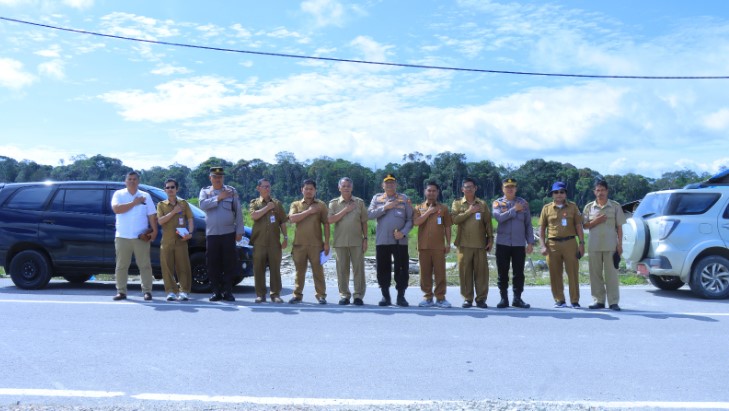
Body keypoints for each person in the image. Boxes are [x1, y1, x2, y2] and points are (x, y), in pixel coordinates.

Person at [198, 166, 245, 302]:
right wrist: (219, 198)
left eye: (220, 177)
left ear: (223, 178)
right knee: (213, 264)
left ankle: (228, 291)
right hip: (212, 234)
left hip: (228, 233)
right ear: (210, 178)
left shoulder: (231, 191)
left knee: (229, 264)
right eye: (215, 177)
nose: (218, 179)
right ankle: (216, 292)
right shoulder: (205, 191)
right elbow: (202, 205)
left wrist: (240, 231)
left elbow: (238, 212)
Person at [367, 174, 414, 307]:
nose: (389, 185)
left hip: (400, 241)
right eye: (387, 183)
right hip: (382, 240)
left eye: (392, 183)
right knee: (383, 269)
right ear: (383, 185)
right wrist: (385, 207)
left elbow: (410, 220)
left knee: (402, 268)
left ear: (396, 185)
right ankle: (385, 296)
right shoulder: (377, 198)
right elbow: (369, 214)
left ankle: (401, 296)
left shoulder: (404, 199)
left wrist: (403, 233)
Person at [111, 171, 158, 301]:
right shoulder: (118, 194)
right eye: (129, 179)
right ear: (125, 181)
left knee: (145, 265)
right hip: (122, 236)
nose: (132, 181)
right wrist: (134, 202)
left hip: (140, 236)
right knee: (121, 265)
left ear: (138, 181)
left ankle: (147, 291)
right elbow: (116, 209)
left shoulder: (145, 196)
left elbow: (151, 215)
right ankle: (121, 291)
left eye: (134, 179)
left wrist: (154, 230)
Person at [538, 181, 585, 308]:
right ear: (552, 194)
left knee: (573, 273)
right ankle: (560, 299)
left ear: (565, 194)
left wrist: (581, 243)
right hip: (553, 244)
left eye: (562, 192)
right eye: (556, 192)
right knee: (555, 273)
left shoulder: (573, 207)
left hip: (570, 243)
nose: (559, 195)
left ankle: (574, 300)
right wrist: (542, 245)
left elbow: (578, 226)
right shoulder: (546, 208)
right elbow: (541, 229)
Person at [583, 180, 626, 311]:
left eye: (603, 190)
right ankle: (598, 300)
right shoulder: (589, 207)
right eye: (598, 190)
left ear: (607, 191)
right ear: (594, 192)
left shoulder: (615, 206)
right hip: (594, 246)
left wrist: (620, 245)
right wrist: (596, 221)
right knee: (595, 275)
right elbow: (584, 225)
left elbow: (619, 227)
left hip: (611, 246)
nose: (600, 193)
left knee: (611, 275)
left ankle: (613, 302)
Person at [451, 177, 493, 308]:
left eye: (471, 187)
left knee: (482, 274)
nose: (468, 189)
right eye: (466, 187)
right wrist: (469, 211)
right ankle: (467, 298)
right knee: (465, 273)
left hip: (480, 244)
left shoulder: (482, 204)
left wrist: (490, 239)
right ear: (462, 189)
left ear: (475, 188)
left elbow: (488, 222)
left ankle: (481, 299)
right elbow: (455, 220)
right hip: (463, 244)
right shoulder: (457, 203)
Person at [492, 178, 534, 309]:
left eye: (513, 187)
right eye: (507, 187)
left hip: (518, 244)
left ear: (516, 188)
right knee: (502, 272)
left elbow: (528, 224)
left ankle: (517, 298)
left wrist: (530, 242)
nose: (510, 189)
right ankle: (503, 298)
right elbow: (499, 218)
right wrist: (514, 210)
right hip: (502, 243)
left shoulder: (523, 203)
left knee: (519, 273)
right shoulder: (498, 203)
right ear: (502, 188)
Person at [288, 179, 330, 304]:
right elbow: (292, 218)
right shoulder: (295, 204)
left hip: (316, 245)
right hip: (299, 244)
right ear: (302, 190)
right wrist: (309, 211)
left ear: (315, 190)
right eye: (306, 188)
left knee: (318, 271)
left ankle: (321, 295)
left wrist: (326, 243)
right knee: (299, 271)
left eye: (311, 189)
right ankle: (297, 295)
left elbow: (326, 224)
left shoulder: (321, 205)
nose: (308, 191)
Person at [328, 177, 368, 306]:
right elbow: (330, 220)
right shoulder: (333, 203)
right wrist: (346, 210)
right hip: (340, 242)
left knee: (358, 269)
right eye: (343, 186)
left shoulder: (359, 202)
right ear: (339, 188)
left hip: (357, 241)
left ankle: (358, 296)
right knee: (342, 270)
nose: (346, 188)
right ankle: (344, 295)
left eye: (348, 186)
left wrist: (365, 238)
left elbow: (364, 222)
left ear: (352, 187)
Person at [249, 178, 288, 304]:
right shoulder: (254, 203)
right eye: (264, 186)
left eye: (268, 186)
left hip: (274, 243)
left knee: (275, 269)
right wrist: (267, 208)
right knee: (258, 269)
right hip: (259, 242)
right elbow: (254, 216)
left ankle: (275, 294)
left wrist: (286, 238)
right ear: (258, 188)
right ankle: (260, 294)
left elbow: (282, 222)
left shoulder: (277, 203)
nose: (267, 189)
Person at [413, 181, 452, 308]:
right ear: (425, 192)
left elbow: (447, 227)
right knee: (425, 273)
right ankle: (428, 297)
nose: (431, 193)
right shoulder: (419, 208)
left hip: (439, 247)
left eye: (434, 191)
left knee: (440, 273)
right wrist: (429, 212)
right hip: (423, 246)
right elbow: (416, 222)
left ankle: (440, 298)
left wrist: (448, 243)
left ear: (437, 193)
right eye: (429, 190)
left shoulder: (444, 208)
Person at [156, 178, 194, 302]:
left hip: (181, 241)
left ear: (177, 189)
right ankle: (170, 291)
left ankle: (184, 291)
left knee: (183, 267)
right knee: (167, 268)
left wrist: (190, 232)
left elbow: (190, 219)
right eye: (168, 187)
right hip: (167, 241)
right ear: (165, 190)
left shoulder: (184, 203)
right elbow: (160, 221)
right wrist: (173, 212)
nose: (170, 189)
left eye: (172, 187)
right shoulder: (161, 205)